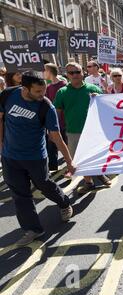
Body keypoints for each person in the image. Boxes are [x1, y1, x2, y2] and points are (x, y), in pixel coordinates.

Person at [0, 71, 75, 247]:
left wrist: (70, 162)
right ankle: (33, 229)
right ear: (24, 89)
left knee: (44, 184)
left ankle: (63, 203)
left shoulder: (45, 106)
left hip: (35, 157)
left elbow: (56, 137)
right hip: (10, 157)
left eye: (44, 91)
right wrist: (1, 143)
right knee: (20, 194)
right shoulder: (8, 95)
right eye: (38, 92)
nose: (42, 95)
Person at [53, 62, 112, 193]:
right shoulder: (62, 92)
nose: (75, 75)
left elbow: (106, 108)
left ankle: (99, 175)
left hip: (94, 132)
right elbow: (56, 113)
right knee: (79, 160)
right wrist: (54, 131)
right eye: (71, 73)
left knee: (95, 156)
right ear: (67, 75)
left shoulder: (93, 89)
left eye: (77, 72)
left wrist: (100, 98)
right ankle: (89, 182)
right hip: (73, 132)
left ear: (82, 73)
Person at [44, 63, 68, 172]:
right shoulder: (48, 87)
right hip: (53, 121)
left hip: (64, 121)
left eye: (44, 70)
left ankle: (70, 165)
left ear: (49, 71)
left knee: (67, 145)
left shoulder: (63, 84)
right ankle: (52, 166)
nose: (43, 73)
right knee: (51, 144)